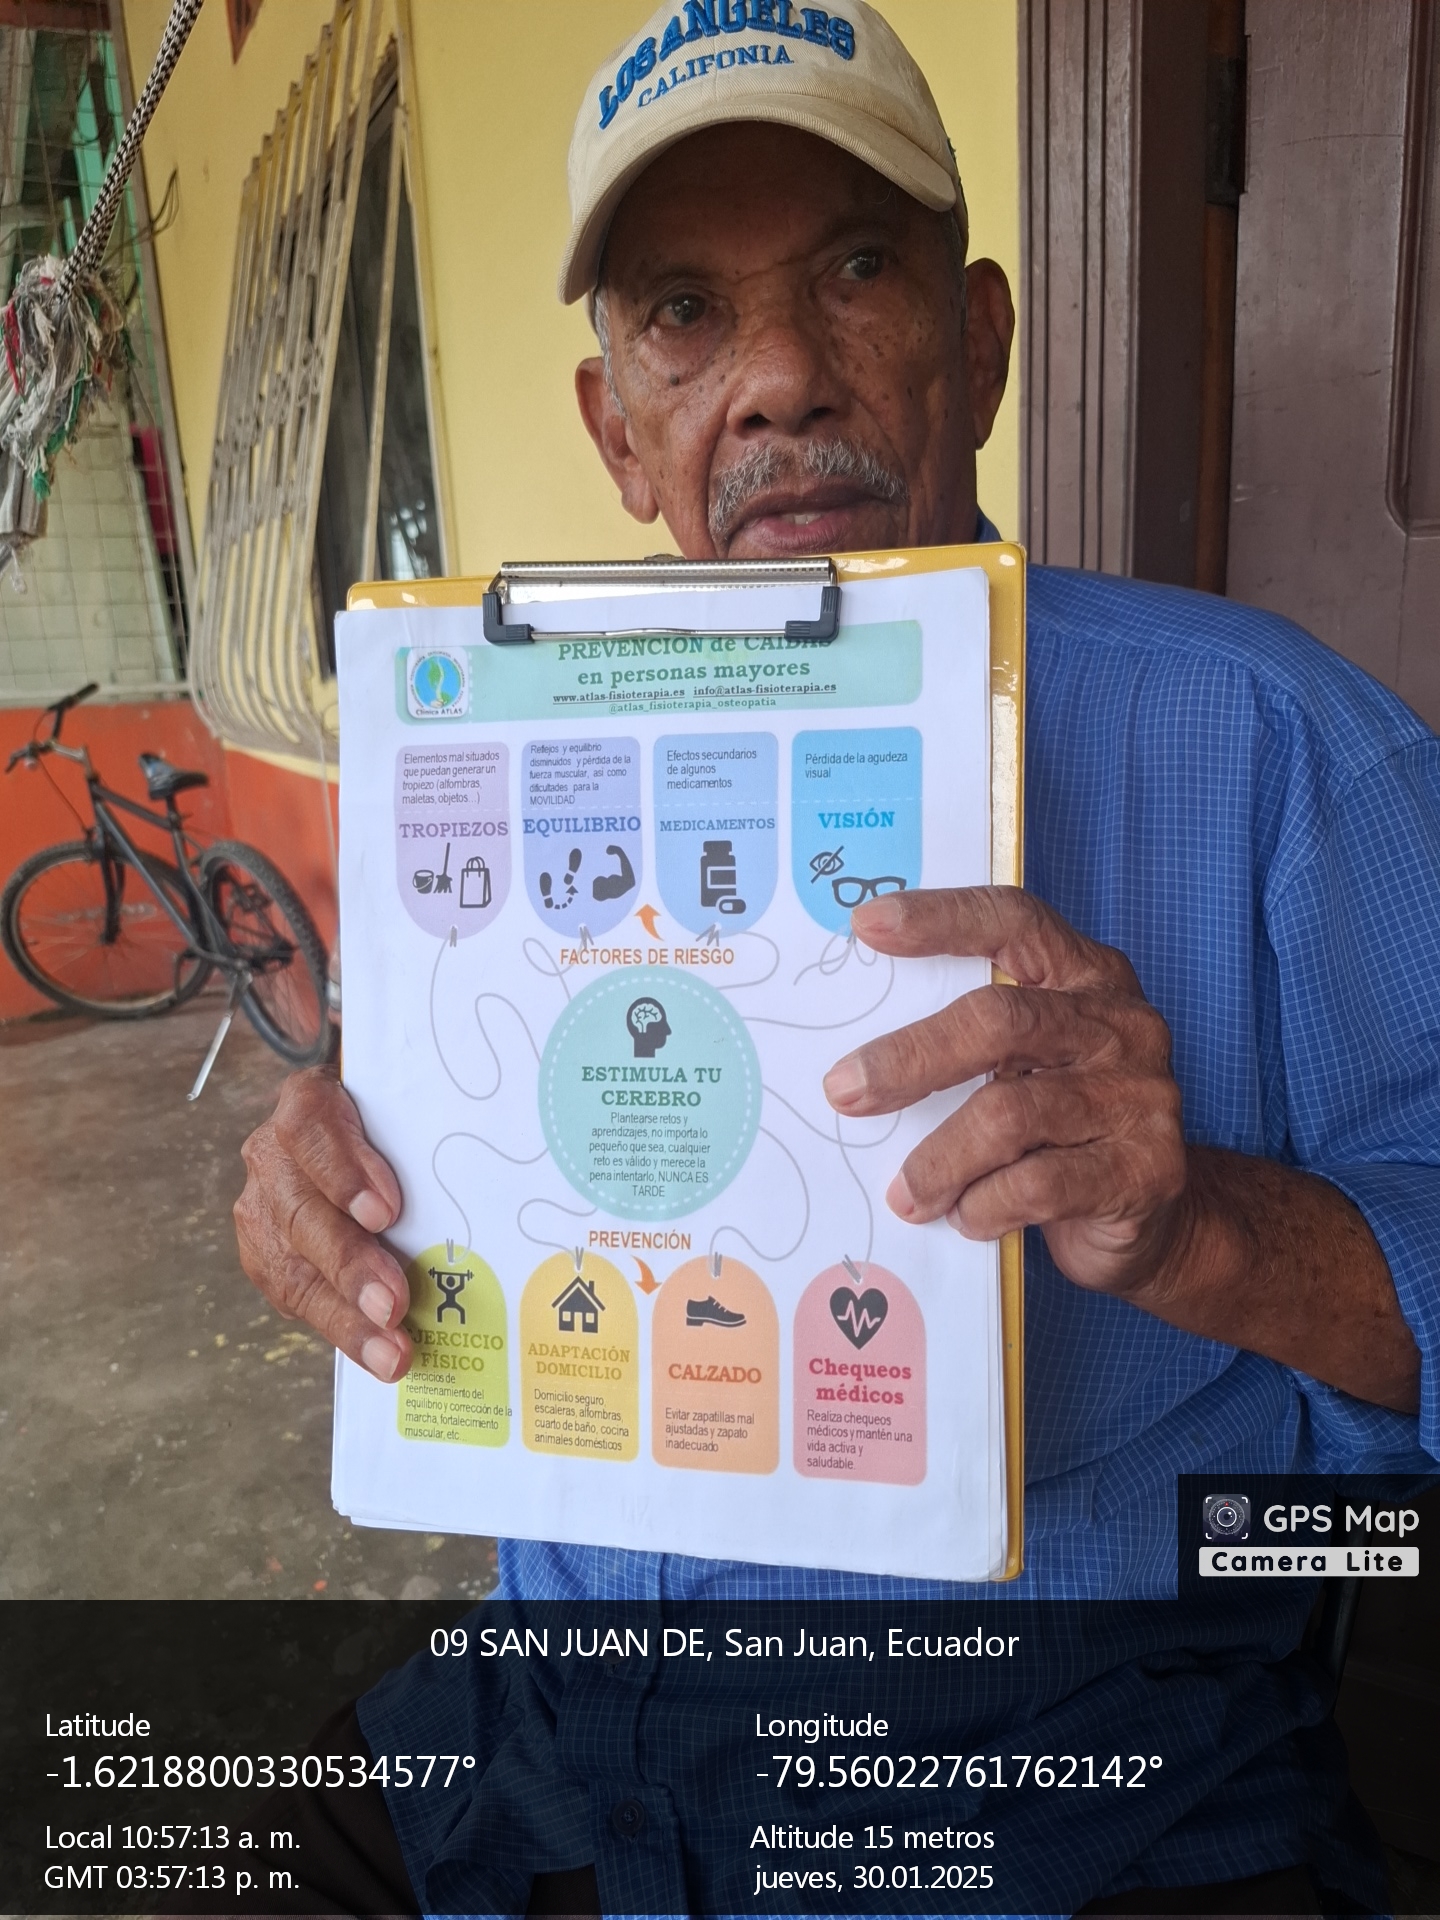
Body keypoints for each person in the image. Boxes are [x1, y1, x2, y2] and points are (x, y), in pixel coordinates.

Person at [233, 2, 1440, 1910]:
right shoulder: (493, 744)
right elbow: (435, 1160)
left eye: (857, 270)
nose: (781, 377)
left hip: (1064, 1797)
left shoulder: (1284, 749)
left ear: (982, 342)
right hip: (544, 1746)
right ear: (616, 430)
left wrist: (1198, 1225)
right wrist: (335, 1183)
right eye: (684, 312)